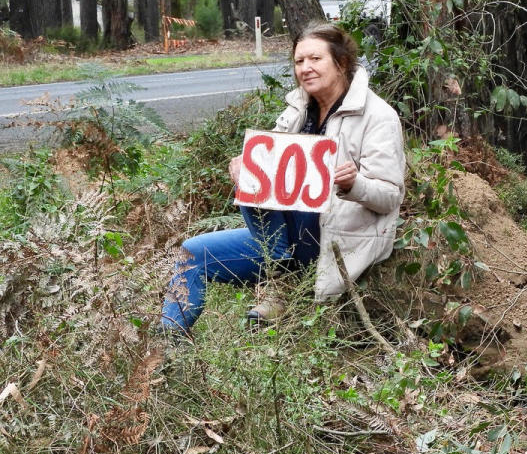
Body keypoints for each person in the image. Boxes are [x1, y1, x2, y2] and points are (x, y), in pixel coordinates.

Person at [161, 22, 405, 333]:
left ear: (341, 62)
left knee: (290, 228)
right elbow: (269, 173)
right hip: (283, 245)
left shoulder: (377, 116)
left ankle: (283, 282)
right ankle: (162, 351)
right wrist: (245, 169)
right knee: (193, 254)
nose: (306, 68)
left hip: (336, 240)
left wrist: (354, 185)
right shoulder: (297, 111)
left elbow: (390, 196)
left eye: (315, 59)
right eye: (299, 61)